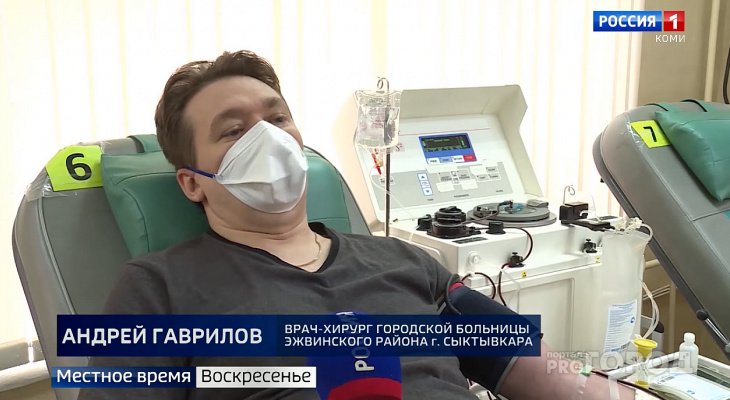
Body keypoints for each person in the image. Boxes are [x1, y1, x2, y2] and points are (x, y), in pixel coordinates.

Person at [79, 50, 639, 400]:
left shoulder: (404, 262)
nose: (268, 139)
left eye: (276, 119)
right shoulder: (158, 289)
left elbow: (543, 371)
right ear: (191, 183)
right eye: (233, 131)